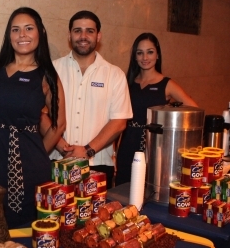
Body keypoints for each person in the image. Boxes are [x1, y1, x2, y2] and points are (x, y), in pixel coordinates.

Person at [0, 7, 66, 228]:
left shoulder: (46, 76)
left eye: (28, 28)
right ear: (9, 35)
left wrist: (36, 154)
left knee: (24, 229)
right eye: (15, 29)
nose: (22, 34)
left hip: (28, 166)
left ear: (40, 33)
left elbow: (59, 123)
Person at [47, 11, 132, 189]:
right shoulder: (52, 69)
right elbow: (40, 113)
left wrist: (87, 150)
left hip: (98, 165)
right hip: (57, 162)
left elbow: (119, 121)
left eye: (89, 31)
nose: (83, 36)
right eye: (77, 30)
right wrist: (61, 146)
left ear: (98, 36)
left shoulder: (114, 74)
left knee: (98, 209)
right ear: (69, 35)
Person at [115, 33, 197, 185]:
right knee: (123, 187)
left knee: (150, 188)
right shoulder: (128, 82)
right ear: (135, 56)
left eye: (150, 52)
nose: (145, 57)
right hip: (127, 144)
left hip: (154, 146)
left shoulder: (167, 84)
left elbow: (194, 110)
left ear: (157, 55)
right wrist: (114, 152)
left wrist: (171, 128)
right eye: (140, 53)